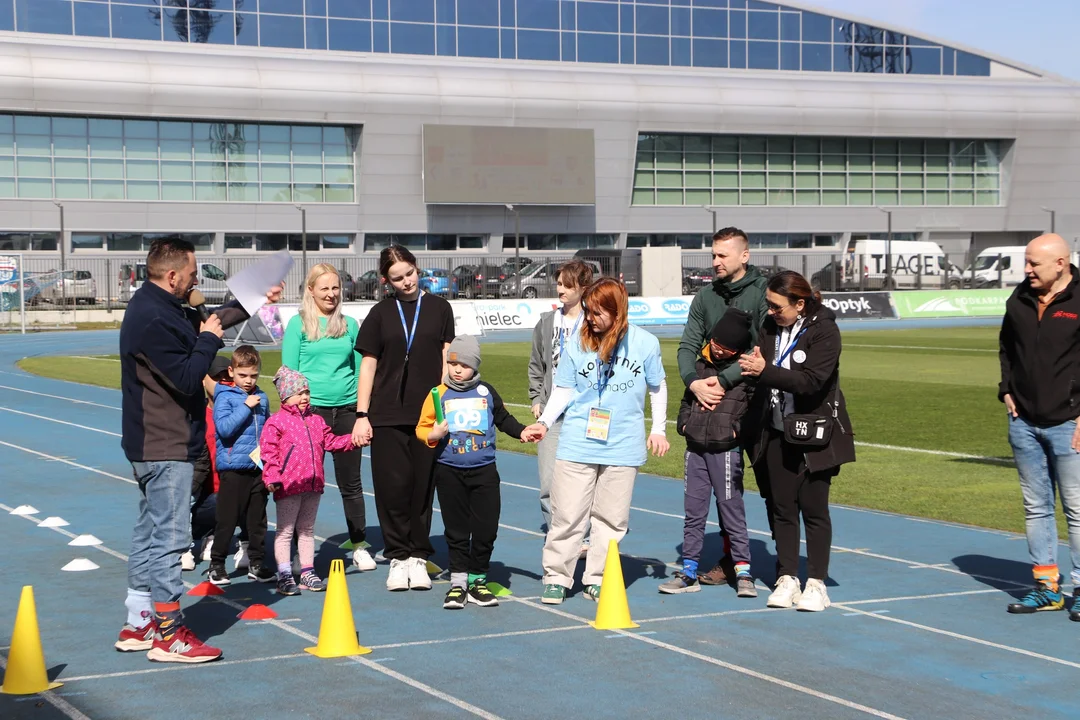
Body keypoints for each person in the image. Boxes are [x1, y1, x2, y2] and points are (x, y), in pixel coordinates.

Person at [116, 236, 280, 664]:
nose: (195, 279)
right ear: (172, 276)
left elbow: (214, 318)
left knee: (149, 533)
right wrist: (207, 339)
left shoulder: (161, 305)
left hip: (154, 440)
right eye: (191, 272)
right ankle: (169, 633)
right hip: (163, 442)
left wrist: (254, 299)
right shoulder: (153, 318)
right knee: (170, 538)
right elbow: (190, 378)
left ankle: (139, 621)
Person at [524, 278, 669, 605]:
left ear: (618, 312)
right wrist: (545, 422)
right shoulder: (578, 341)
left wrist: (658, 428)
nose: (591, 318)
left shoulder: (645, 344)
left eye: (599, 312)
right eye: (589, 311)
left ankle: (598, 577)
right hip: (578, 441)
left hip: (623, 445)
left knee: (611, 520)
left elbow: (657, 388)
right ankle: (557, 576)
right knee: (567, 514)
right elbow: (564, 388)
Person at [738, 271, 855, 612]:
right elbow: (761, 368)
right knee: (782, 507)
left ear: (800, 304)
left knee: (814, 509)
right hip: (775, 429)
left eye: (777, 306)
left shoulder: (825, 330)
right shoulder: (770, 327)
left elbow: (811, 382)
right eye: (769, 306)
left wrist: (764, 372)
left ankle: (816, 583)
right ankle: (786, 576)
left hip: (815, 432)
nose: (771, 312)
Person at [353, 245, 456, 591]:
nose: (407, 282)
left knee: (422, 487)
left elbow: (447, 356)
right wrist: (362, 414)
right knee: (391, 487)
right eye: (398, 278)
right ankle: (397, 556)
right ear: (386, 281)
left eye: (410, 273)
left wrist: (445, 401)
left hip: (427, 414)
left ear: (417, 268)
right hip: (385, 413)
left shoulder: (440, 308)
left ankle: (418, 555)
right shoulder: (380, 313)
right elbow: (368, 365)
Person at [677, 227, 768, 586]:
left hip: (755, 402)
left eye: (722, 255)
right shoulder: (705, 297)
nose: (714, 262)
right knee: (712, 491)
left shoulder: (761, 294)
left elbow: (761, 350)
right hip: (712, 401)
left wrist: (722, 380)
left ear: (744, 256)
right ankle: (732, 562)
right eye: (713, 255)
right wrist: (695, 382)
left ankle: (782, 566)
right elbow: (687, 345)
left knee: (757, 492)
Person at [998, 233, 1080, 619]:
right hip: (1024, 421)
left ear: (1061, 263)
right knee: (1036, 507)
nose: (1027, 270)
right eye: (1026, 262)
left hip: (1071, 422)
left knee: (1078, 509)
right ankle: (1047, 587)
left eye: (1035, 264)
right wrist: (1006, 391)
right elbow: (1006, 347)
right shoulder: (1019, 298)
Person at [417, 335, 531, 608]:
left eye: (464, 364)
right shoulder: (438, 393)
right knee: (456, 531)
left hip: (484, 472)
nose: (457, 369)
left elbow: (503, 419)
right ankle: (458, 583)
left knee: (486, 528)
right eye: (452, 363)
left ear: (475, 366)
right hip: (449, 472)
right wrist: (432, 434)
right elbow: (422, 427)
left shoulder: (486, 392)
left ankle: (478, 579)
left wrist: (523, 431)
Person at [282, 263, 375, 572]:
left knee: (352, 483)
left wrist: (364, 412)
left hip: (348, 410)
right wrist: (292, 419)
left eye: (336, 288)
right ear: (311, 290)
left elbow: (363, 369)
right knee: (305, 484)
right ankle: (300, 552)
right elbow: (289, 376)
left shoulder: (350, 325)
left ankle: (359, 544)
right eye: (324, 288)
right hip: (311, 415)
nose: (332, 293)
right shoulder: (298, 325)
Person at [662, 307, 757, 597]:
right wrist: (684, 425)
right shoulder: (699, 365)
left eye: (725, 348)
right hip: (695, 451)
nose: (717, 351)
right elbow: (686, 399)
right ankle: (689, 569)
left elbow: (755, 408)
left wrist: (736, 430)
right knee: (694, 512)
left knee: (731, 511)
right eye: (715, 344)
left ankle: (743, 570)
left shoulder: (745, 371)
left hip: (726, 451)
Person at [261, 367, 360, 596]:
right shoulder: (277, 422)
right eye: (299, 393)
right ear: (286, 396)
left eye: (307, 392)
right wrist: (273, 477)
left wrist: (354, 440)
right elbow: (269, 452)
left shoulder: (316, 420)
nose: (305, 397)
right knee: (285, 531)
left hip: (313, 485)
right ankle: (284, 574)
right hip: (289, 486)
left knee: (306, 530)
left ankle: (307, 571)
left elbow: (331, 441)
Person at [528, 259, 594, 542]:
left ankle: (586, 533)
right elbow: (536, 364)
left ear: (583, 287)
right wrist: (535, 397)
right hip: (551, 414)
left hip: (586, 412)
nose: (561, 290)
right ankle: (557, 533)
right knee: (548, 480)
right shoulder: (546, 322)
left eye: (568, 285)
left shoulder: (593, 321)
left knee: (587, 477)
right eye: (559, 284)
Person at [207, 345, 273, 586]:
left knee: (257, 519)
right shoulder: (224, 396)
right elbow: (224, 430)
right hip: (234, 467)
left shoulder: (263, 397)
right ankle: (216, 564)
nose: (248, 380)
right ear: (231, 372)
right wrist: (246, 406)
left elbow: (267, 431)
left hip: (258, 467)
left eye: (253, 375)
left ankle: (256, 562)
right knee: (227, 518)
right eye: (243, 375)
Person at [181, 354, 232, 572]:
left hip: (230, 489)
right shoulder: (194, 416)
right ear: (204, 380)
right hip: (201, 494)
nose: (222, 382)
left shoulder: (241, 410)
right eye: (216, 377)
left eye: (226, 377)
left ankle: (225, 538)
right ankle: (184, 544)